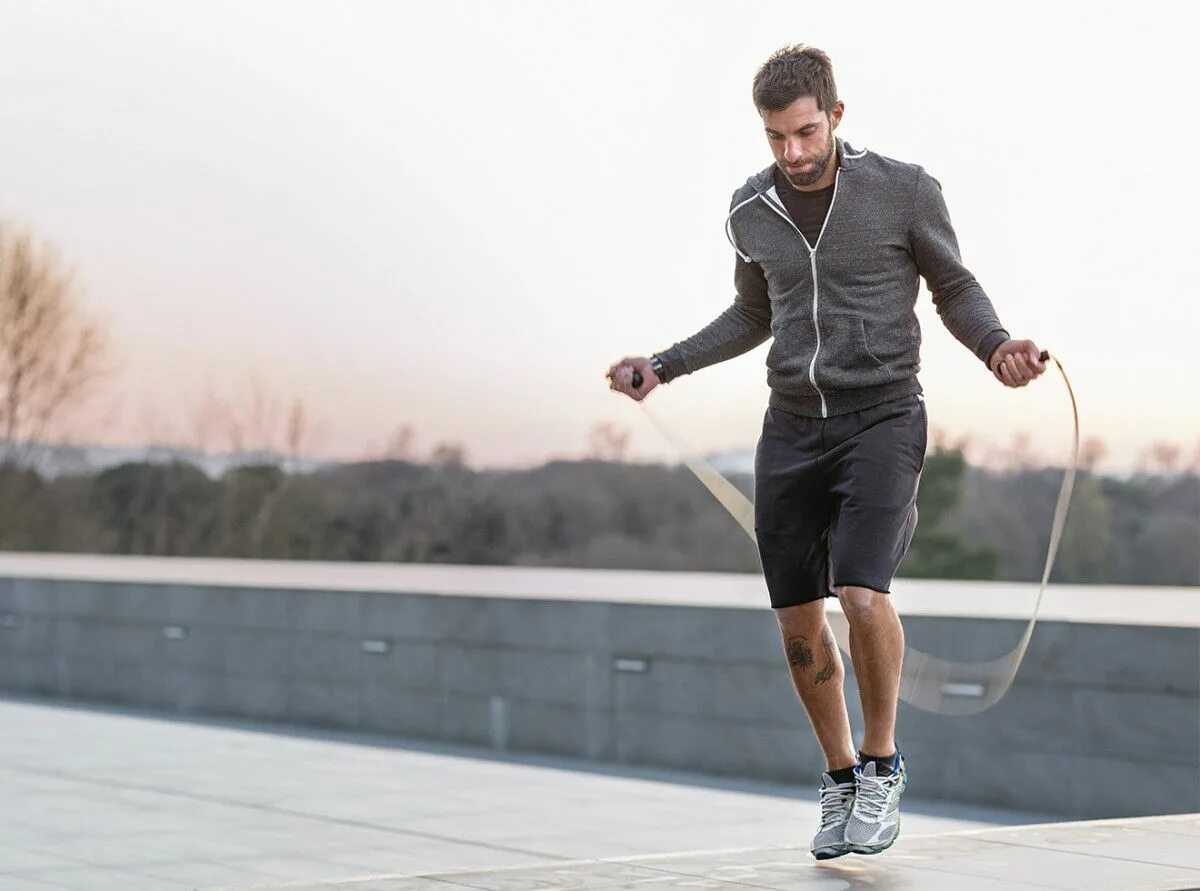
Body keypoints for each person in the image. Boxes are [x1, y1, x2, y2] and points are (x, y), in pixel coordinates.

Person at [604, 44, 1045, 859]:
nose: (793, 153)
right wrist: (660, 366)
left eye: (805, 132)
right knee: (798, 619)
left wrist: (996, 348)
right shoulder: (751, 209)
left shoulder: (904, 191)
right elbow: (750, 314)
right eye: (776, 138)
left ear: (836, 115)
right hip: (792, 426)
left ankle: (881, 764)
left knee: (861, 590)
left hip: (882, 416)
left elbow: (954, 285)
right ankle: (840, 776)